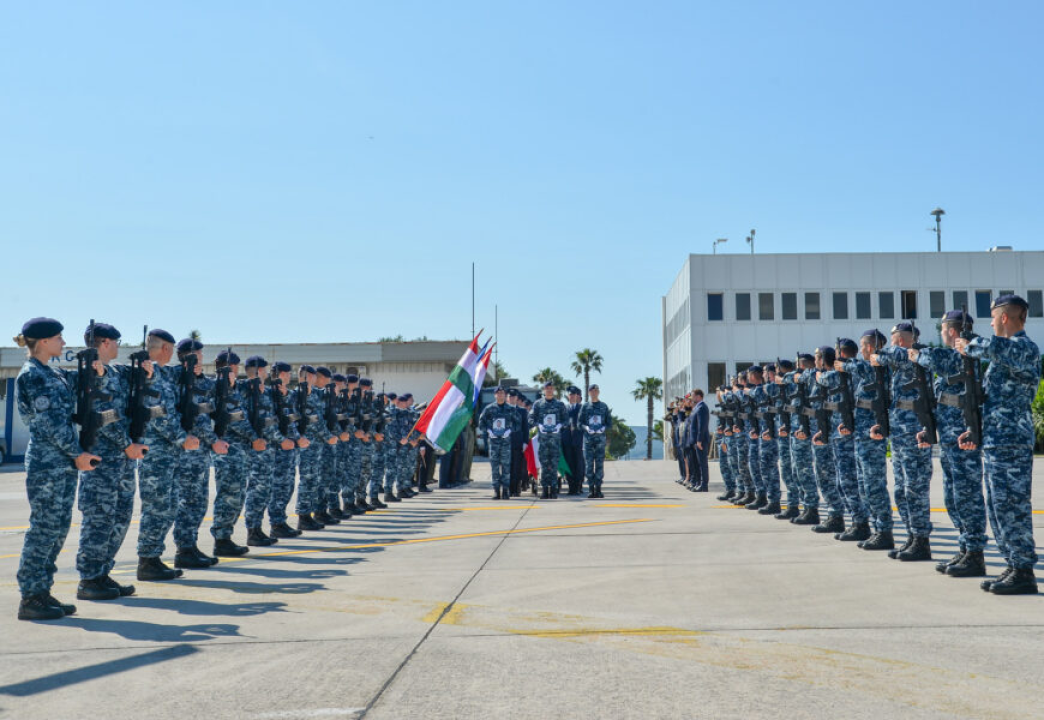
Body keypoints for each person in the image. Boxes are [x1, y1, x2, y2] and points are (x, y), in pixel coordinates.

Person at [14, 318, 99, 620]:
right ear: (44, 341)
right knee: (44, 530)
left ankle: (42, 592)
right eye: (59, 338)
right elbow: (50, 424)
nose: (63, 343)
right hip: (48, 463)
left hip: (62, 462)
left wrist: (95, 370)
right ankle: (31, 597)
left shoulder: (54, 373)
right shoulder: (33, 375)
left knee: (58, 529)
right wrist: (77, 453)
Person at [956, 294, 1040, 595]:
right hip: (994, 439)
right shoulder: (1002, 352)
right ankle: (1012, 564)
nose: (990, 323)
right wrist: (974, 430)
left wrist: (970, 344)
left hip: (1012, 442)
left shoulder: (1023, 348)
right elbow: (991, 399)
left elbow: (994, 347)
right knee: (997, 505)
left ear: (1005, 317)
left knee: (1013, 505)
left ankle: (1023, 570)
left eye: (993, 317)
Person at [911, 311, 988, 576]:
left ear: (953, 331)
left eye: (943, 329)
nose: (941, 334)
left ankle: (975, 553)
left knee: (966, 494)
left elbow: (932, 357)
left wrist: (916, 353)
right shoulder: (956, 356)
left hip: (962, 435)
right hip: (949, 435)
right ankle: (966, 548)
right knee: (954, 496)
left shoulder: (961, 355)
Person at [74, 322, 145, 601]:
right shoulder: (88, 373)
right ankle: (89, 579)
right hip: (102, 460)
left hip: (122, 461)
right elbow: (104, 415)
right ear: (104, 343)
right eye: (115, 342)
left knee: (119, 518)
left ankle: (102, 573)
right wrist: (128, 445)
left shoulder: (115, 372)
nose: (118, 346)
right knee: (99, 520)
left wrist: (146, 369)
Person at [137, 328, 198, 580]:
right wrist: (182, 439)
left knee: (168, 506)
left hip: (169, 453)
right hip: (156, 453)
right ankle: (147, 561)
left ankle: (154, 557)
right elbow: (159, 414)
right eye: (171, 349)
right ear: (166, 349)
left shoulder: (162, 373)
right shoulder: (148, 374)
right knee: (156, 507)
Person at [872, 323, 934, 561]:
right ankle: (911, 536)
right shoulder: (898, 365)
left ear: (901, 340)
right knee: (901, 489)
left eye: (895, 339)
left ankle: (921, 540)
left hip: (914, 431)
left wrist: (879, 354)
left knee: (914, 488)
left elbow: (892, 354)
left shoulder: (917, 356)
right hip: (899, 432)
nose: (894, 344)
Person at [172, 338, 228, 568]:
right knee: (188, 501)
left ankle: (190, 546)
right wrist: (214, 441)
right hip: (187, 452)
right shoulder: (175, 380)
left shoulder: (201, 382)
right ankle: (184, 549)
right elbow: (197, 421)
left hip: (201, 451)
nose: (201, 360)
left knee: (199, 502)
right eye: (198, 356)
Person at [818, 339, 870, 541]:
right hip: (842, 432)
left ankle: (860, 523)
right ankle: (857, 522)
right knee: (844, 482)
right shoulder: (848, 372)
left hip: (851, 434)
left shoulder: (855, 371)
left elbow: (822, 379)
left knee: (850, 482)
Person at [242, 356, 295, 546]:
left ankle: (257, 529)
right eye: (264, 370)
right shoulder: (248, 391)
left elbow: (278, 416)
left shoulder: (265, 392)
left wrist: (283, 394)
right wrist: (282, 440)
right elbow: (265, 423)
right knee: (257, 491)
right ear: (259, 371)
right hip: (257, 450)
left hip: (268, 450)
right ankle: (253, 531)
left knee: (264, 491)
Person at [267, 361, 305, 539]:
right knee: (278, 487)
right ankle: (275, 523)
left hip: (289, 449)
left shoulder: (288, 395)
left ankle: (280, 521)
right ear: (279, 374)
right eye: (287, 373)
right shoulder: (269, 394)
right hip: (276, 449)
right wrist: (282, 440)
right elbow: (268, 422)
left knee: (287, 486)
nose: (289, 376)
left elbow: (292, 420)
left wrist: (296, 439)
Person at [477, 385, 519, 499]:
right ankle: (496, 490)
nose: (500, 395)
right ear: (495, 395)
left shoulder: (511, 409)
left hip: (506, 442)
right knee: (494, 467)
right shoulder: (489, 409)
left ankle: (505, 490)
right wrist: (488, 431)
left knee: (506, 467)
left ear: (505, 395)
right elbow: (481, 422)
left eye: (502, 393)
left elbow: (518, 423)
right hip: (494, 443)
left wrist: (510, 430)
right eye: (498, 393)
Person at [530, 381, 568, 499]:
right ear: (544, 390)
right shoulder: (538, 404)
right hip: (543, 440)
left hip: (555, 440)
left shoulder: (560, 404)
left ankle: (554, 490)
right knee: (545, 465)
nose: (549, 390)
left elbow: (566, 420)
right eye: (547, 388)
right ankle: (545, 490)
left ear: (554, 390)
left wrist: (560, 426)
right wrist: (538, 425)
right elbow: (530, 418)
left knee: (554, 465)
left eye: (551, 388)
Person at [579, 384, 613, 497]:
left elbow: (609, 423)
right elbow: (579, 423)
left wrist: (603, 428)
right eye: (592, 391)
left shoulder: (604, 406)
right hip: (588, 440)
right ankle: (590, 488)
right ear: (589, 392)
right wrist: (586, 428)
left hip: (600, 439)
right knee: (589, 465)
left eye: (596, 390)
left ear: (598, 392)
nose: (594, 392)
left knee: (599, 464)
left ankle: (598, 489)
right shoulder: (585, 407)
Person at [562, 386, 584, 495]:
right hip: (566, 440)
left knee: (578, 463)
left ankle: (578, 484)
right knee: (568, 463)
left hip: (578, 439)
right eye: (570, 395)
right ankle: (571, 486)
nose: (572, 397)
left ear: (577, 396)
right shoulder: (564, 408)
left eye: (574, 395)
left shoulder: (582, 408)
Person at [690, 389, 710, 492]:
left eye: (693, 396)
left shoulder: (702, 407)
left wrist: (699, 440)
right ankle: (699, 483)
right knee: (697, 463)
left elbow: (702, 425)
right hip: (696, 440)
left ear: (699, 396)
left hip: (700, 440)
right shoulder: (697, 407)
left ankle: (704, 485)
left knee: (702, 463)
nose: (691, 398)